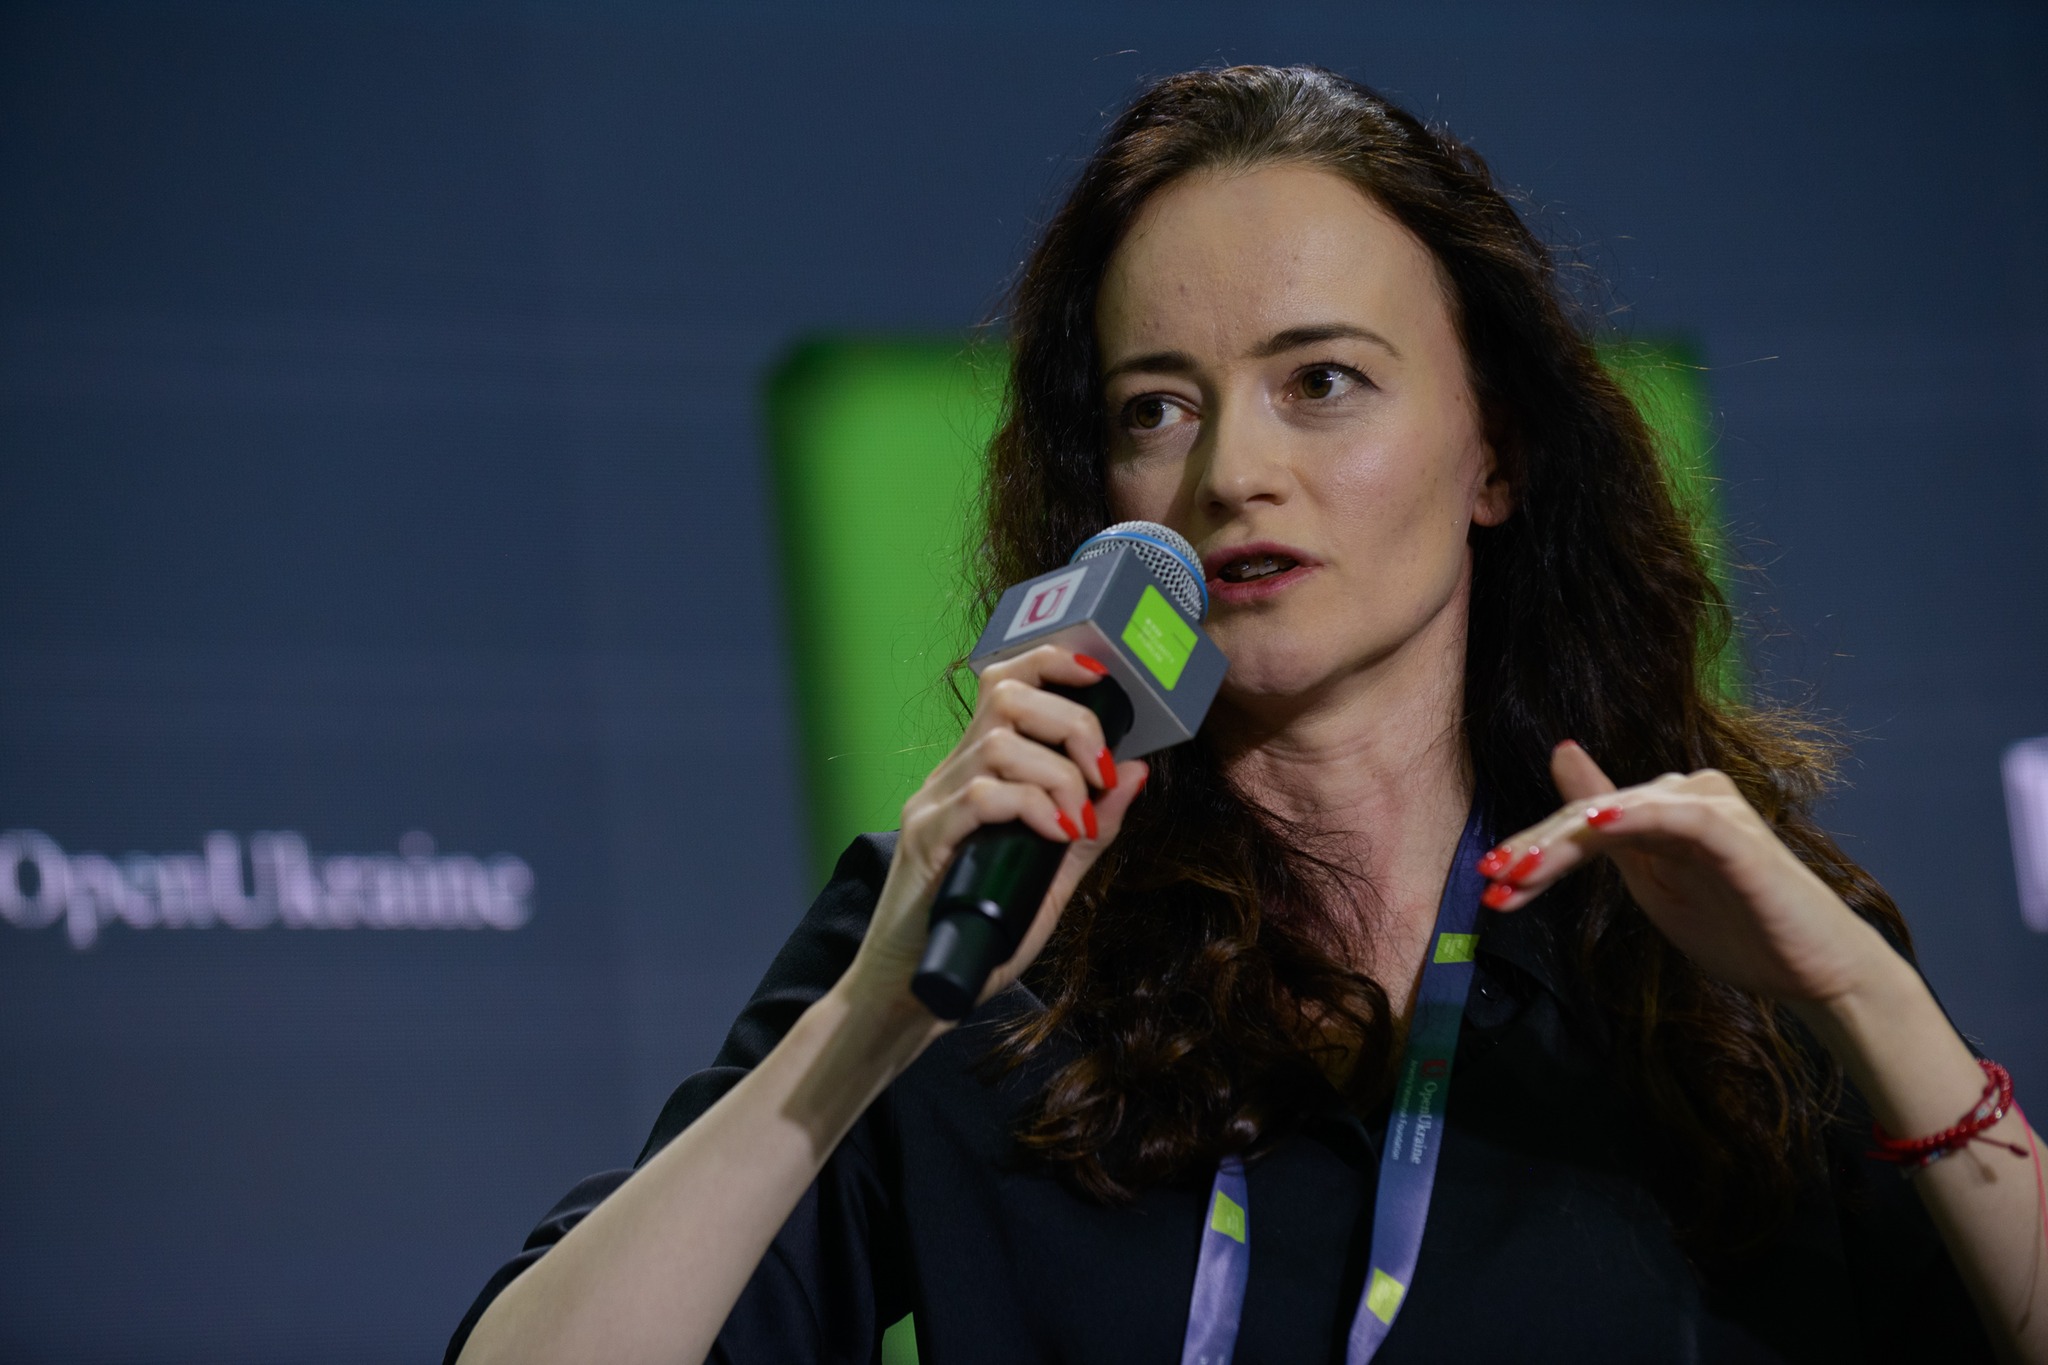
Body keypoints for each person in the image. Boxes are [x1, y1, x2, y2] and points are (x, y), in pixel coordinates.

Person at [447, 66, 2046, 1364]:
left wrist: (1866, 998)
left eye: (1322, 381)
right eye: (1157, 408)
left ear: (1495, 452)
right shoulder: (976, 928)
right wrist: (879, 1016)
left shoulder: (1702, 940)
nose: (1232, 472)